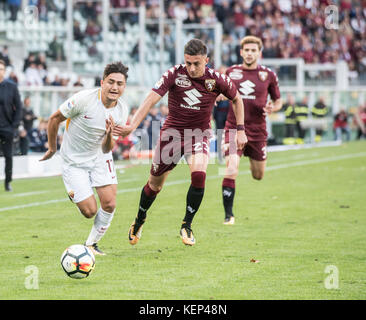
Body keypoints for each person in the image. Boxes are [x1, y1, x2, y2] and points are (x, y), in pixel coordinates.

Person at [120, 39, 246, 246]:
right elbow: (151, 98)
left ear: (207, 60)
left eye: (197, 63)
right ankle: (140, 219)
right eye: (188, 63)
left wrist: (240, 131)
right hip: (172, 135)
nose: (192, 68)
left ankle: (187, 225)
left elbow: (237, 99)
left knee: (199, 175)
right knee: (154, 185)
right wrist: (132, 125)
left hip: (199, 134)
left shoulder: (217, 79)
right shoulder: (174, 74)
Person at [40, 62, 130, 256]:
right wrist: (52, 147)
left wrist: (108, 135)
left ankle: (91, 245)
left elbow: (108, 148)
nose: (115, 87)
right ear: (102, 82)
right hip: (73, 161)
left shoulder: (122, 110)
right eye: (111, 82)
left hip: (99, 156)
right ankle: (74, 192)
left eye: (119, 84)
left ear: (124, 87)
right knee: (90, 211)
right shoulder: (84, 99)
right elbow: (55, 118)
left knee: (110, 203)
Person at [221, 36, 282, 225]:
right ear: (241, 52)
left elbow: (278, 100)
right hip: (234, 127)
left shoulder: (268, 75)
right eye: (246, 50)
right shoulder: (231, 72)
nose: (249, 53)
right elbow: (221, 92)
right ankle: (228, 215)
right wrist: (219, 97)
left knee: (258, 175)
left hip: (257, 131)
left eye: (253, 50)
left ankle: (247, 154)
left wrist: (274, 107)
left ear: (259, 53)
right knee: (231, 169)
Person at [0, 59, 22, 191]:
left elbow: (18, 107)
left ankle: (8, 182)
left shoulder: (11, 86)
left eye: (1, 69)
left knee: (8, 156)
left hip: (7, 127)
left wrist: (14, 125)